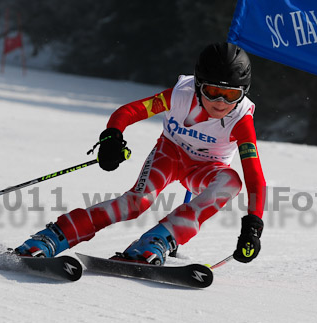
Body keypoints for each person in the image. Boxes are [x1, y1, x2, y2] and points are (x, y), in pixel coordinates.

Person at [15, 42, 266, 265]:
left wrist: (253, 226)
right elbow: (130, 111)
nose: (221, 102)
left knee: (231, 182)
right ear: (200, 84)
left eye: (232, 94)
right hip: (170, 155)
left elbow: (254, 176)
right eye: (213, 91)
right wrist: (112, 137)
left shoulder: (241, 119)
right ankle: (52, 237)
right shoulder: (181, 95)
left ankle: (157, 241)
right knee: (136, 203)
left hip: (206, 169)